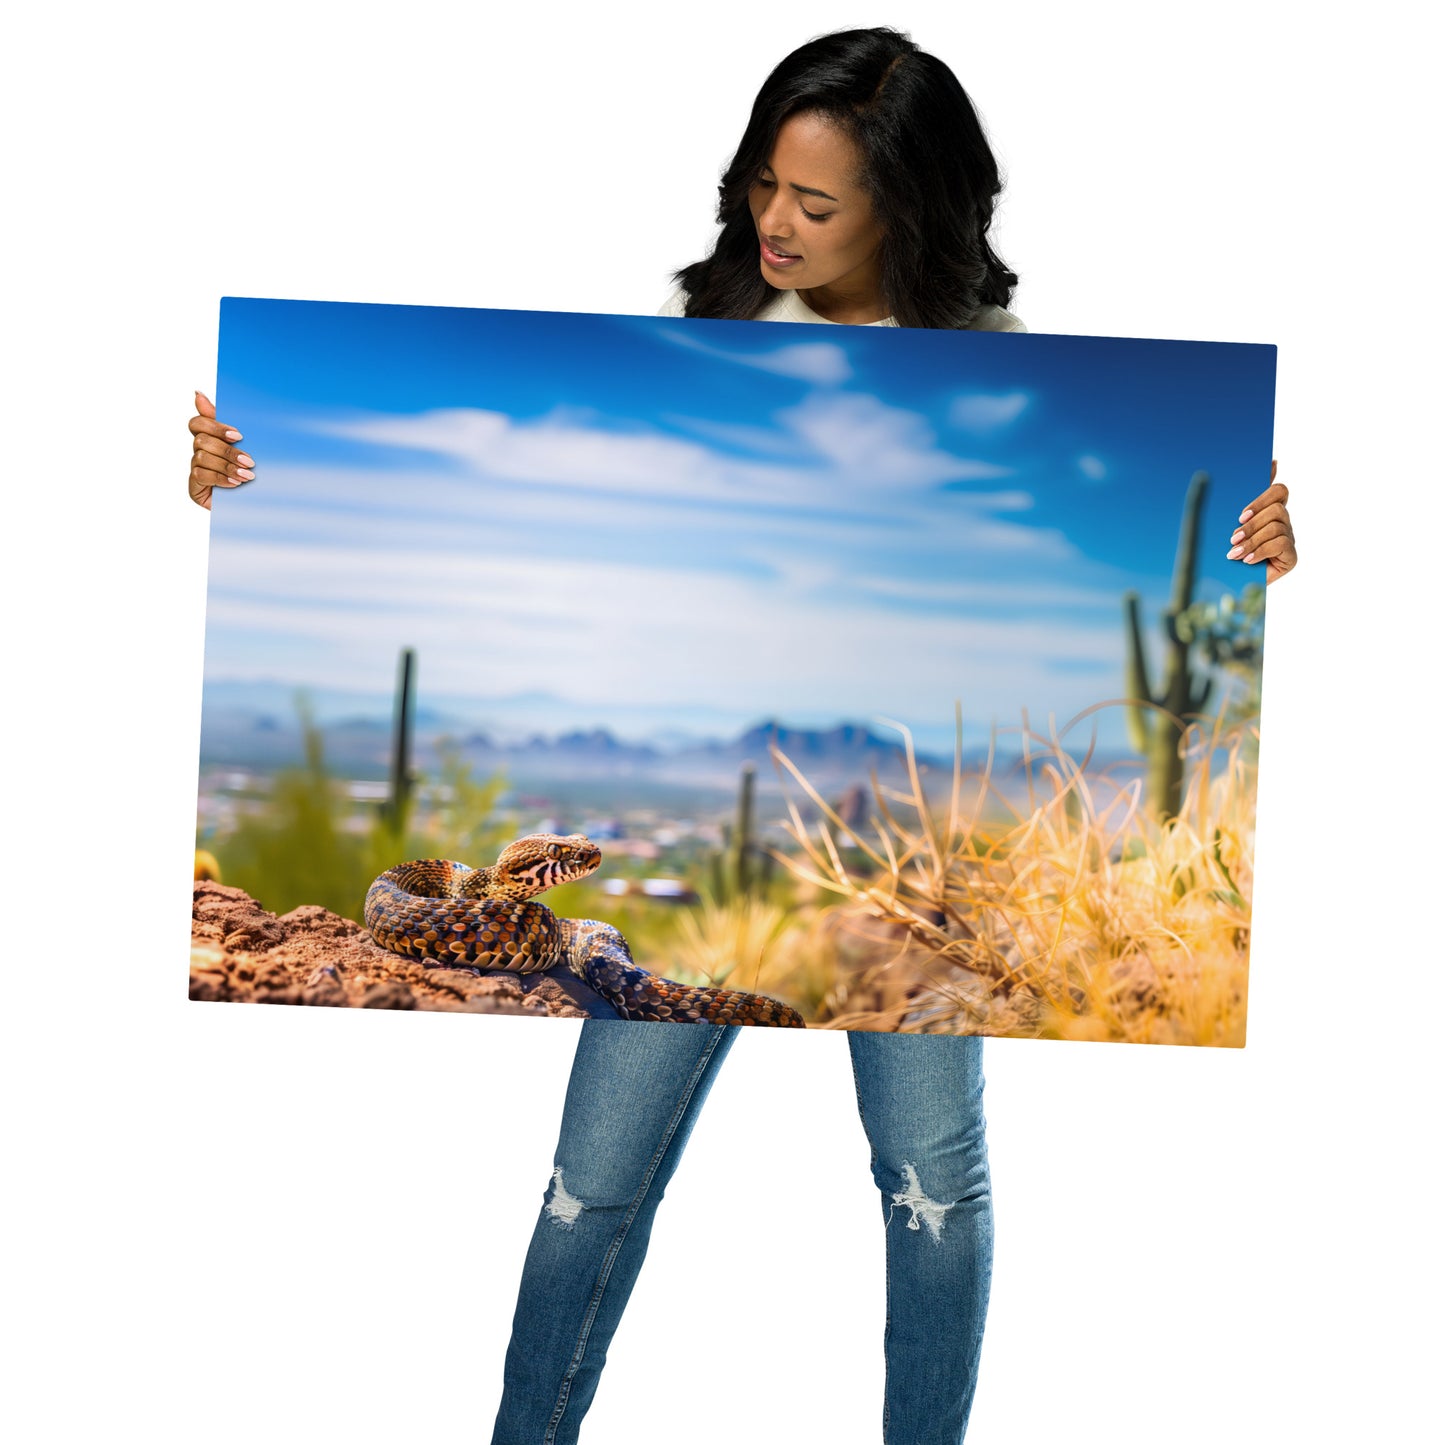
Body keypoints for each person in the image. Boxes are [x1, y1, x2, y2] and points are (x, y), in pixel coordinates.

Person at [185, 27, 1298, 1443]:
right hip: (682, 943)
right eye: (764, 183)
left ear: (912, 204)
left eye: (816, 203)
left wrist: (1265, 555)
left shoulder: (1002, 370)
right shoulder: (697, 337)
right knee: (590, 1182)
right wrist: (232, 474)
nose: (774, 222)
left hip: (905, 880)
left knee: (930, 1183)